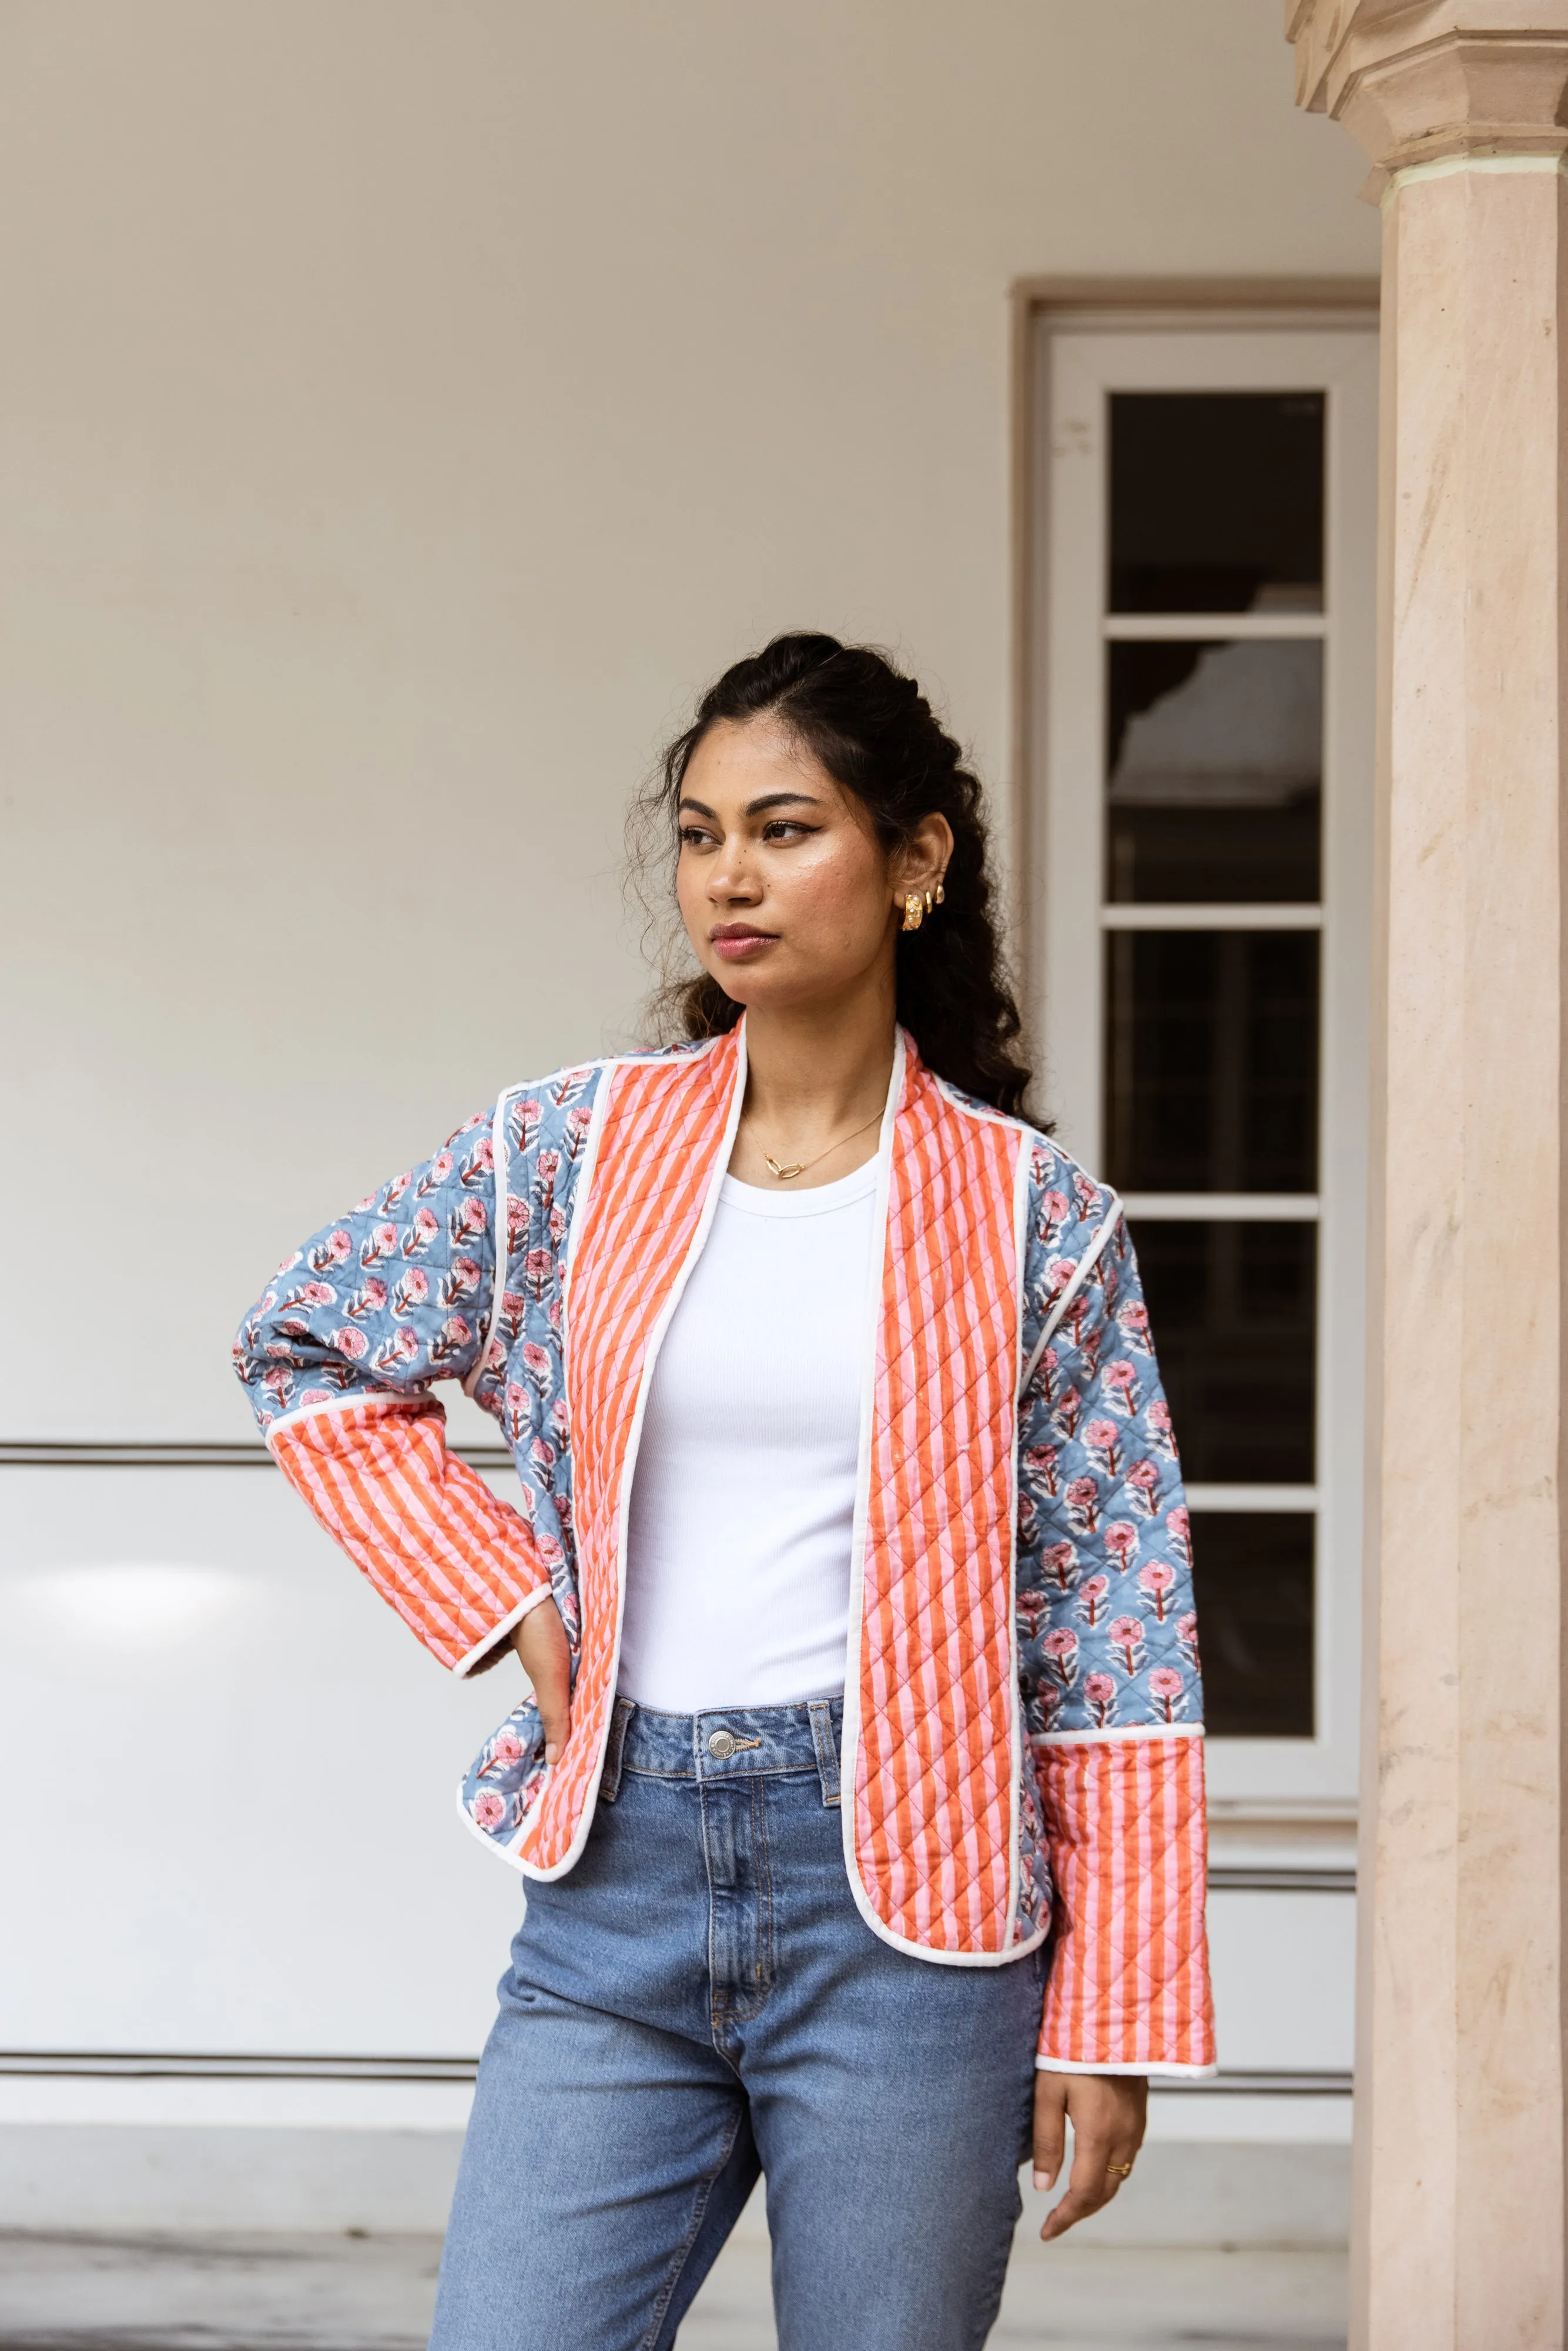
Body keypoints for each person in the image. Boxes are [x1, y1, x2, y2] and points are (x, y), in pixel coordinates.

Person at [234, 633, 1214, 2350]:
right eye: (697, 836)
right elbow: (306, 1344)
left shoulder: (1035, 1221)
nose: (729, 878)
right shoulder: (565, 1151)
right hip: (615, 1879)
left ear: (916, 860)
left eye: (783, 828)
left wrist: (1109, 2007)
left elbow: (1111, 1627)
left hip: (913, 1926)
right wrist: (504, 1604)